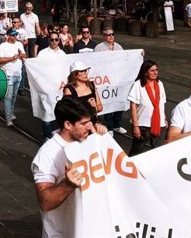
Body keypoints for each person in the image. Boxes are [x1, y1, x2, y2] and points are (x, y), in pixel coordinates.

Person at [32, 97, 107, 238]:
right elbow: (45, 202)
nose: (90, 126)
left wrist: (103, 142)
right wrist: (67, 184)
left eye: (90, 122)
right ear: (68, 125)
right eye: (84, 123)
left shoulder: (89, 140)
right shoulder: (48, 154)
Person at [128, 60, 167, 155]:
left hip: (159, 124)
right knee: (136, 153)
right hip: (142, 125)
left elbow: (162, 104)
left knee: (158, 152)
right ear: (145, 72)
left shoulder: (160, 84)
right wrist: (136, 126)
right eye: (152, 70)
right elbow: (133, 107)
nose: (155, 72)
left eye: (156, 70)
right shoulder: (138, 85)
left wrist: (165, 119)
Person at [94, 28, 126, 134]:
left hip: (118, 79)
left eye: (112, 34)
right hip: (106, 80)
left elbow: (125, 59)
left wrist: (139, 54)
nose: (111, 36)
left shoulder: (119, 47)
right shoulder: (99, 48)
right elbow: (95, 63)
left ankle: (117, 125)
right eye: (108, 35)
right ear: (104, 36)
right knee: (108, 103)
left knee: (119, 102)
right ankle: (110, 127)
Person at [0, 28, 26, 127]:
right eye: (13, 35)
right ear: (8, 36)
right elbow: (0, 60)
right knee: (8, 97)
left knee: (14, 96)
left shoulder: (19, 44)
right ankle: (8, 118)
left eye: (15, 35)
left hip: (18, 74)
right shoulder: (3, 46)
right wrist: (11, 58)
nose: (15, 37)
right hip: (8, 75)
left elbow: (24, 56)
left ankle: (11, 112)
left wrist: (20, 54)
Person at [62, 61, 103, 125]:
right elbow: (69, 112)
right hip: (79, 126)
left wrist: (94, 107)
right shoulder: (69, 89)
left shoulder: (91, 85)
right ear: (74, 75)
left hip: (93, 122)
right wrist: (89, 106)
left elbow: (100, 107)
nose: (85, 74)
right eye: (81, 71)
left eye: (85, 71)